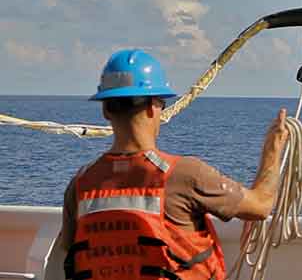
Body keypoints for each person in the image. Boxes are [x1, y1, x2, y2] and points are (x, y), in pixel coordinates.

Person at [61, 49, 288, 280]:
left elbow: (68, 256)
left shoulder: (81, 185)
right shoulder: (185, 175)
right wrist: (273, 148)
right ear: (153, 107)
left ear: (105, 110)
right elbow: (261, 206)